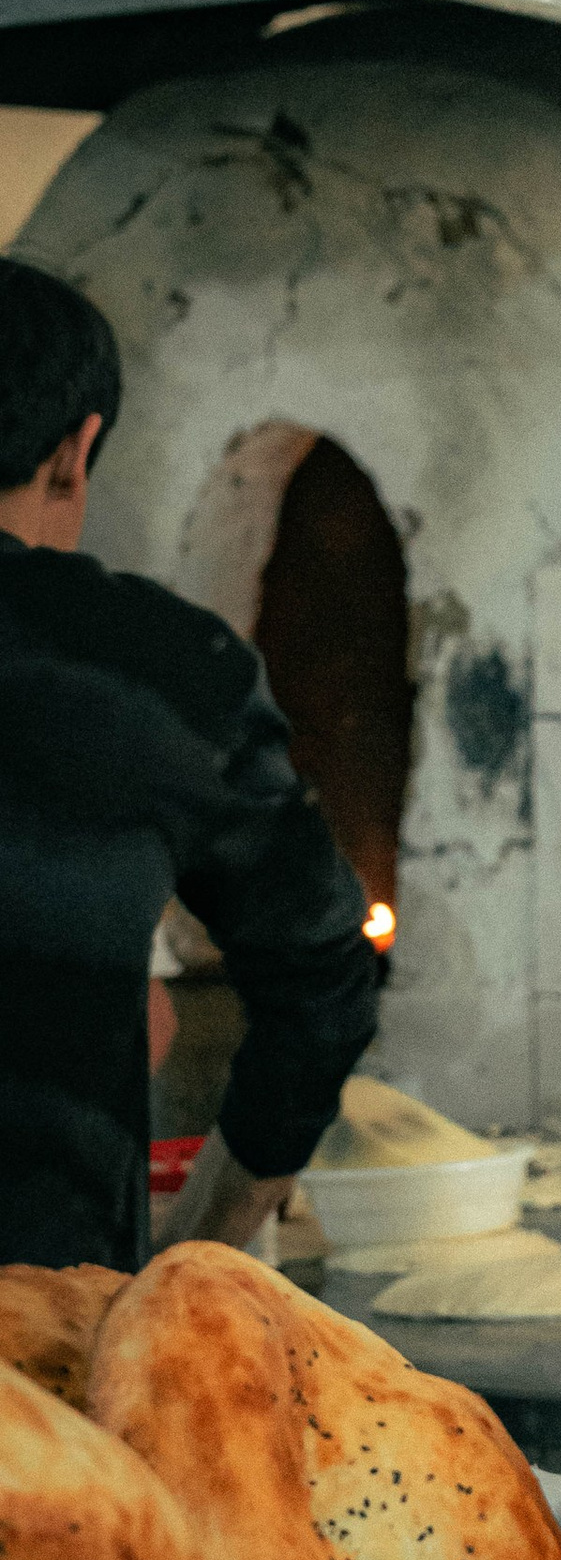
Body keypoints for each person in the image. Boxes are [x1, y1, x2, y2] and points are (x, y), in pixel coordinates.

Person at [0, 257, 379, 1269]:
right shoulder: (147, 668)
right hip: (34, 1329)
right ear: (73, 454)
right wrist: (191, 1257)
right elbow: (324, 986)